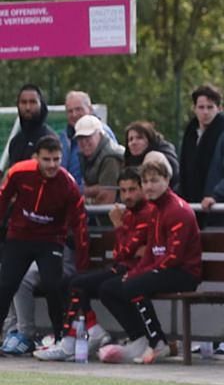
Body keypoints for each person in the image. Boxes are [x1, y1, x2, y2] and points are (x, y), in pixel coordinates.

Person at [33, 167, 153, 361]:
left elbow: (124, 251)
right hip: (121, 267)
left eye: (132, 189)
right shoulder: (129, 214)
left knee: (79, 285)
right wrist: (126, 242)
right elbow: (121, 251)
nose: (127, 195)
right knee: (65, 283)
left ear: (141, 188)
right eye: (123, 191)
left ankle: (73, 341)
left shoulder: (146, 213)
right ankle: (89, 331)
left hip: (132, 271)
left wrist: (118, 227)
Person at [98, 152, 202, 364]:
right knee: (108, 288)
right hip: (162, 268)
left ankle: (157, 342)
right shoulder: (155, 209)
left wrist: (139, 276)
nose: (149, 186)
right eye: (145, 181)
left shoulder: (178, 210)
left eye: (155, 180)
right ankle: (140, 338)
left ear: (167, 181)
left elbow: (173, 257)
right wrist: (135, 273)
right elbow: (150, 253)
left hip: (183, 272)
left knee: (133, 286)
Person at [0, 135, 89, 346]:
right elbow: (2, 200)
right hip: (19, 236)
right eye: (47, 159)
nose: (52, 165)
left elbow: (80, 225)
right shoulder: (19, 172)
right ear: (36, 158)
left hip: (50, 240)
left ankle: (61, 338)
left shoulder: (68, 185)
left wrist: (82, 264)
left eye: (56, 159)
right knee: (5, 284)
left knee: (53, 285)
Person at [177, 84, 224, 229]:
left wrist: (217, 196)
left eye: (210, 107)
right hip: (192, 214)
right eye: (201, 107)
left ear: (219, 109)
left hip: (220, 215)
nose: (205, 112)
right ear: (194, 109)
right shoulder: (190, 138)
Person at [59, 90, 119, 187]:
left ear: (90, 109)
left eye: (79, 109)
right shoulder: (64, 137)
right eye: (70, 111)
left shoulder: (102, 132)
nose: (74, 114)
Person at [74, 114, 125, 206]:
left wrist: (87, 192)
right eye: (80, 138)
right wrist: (94, 190)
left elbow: (107, 199)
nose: (84, 142)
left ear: (100, 134)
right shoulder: (86, 157)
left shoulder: (111, 158)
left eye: (88, 136)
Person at [4, 84, 57, 170]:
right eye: (24, 102)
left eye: (32, 102)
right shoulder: (15, 142)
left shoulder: (50, 139)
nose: (28, 107)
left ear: (41, 105)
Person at [124, 121, 180, 192]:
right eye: (130, 139)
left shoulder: (163, 156)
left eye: (139, 138)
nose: (134, 142)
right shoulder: (128, 161)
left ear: (149, 140)